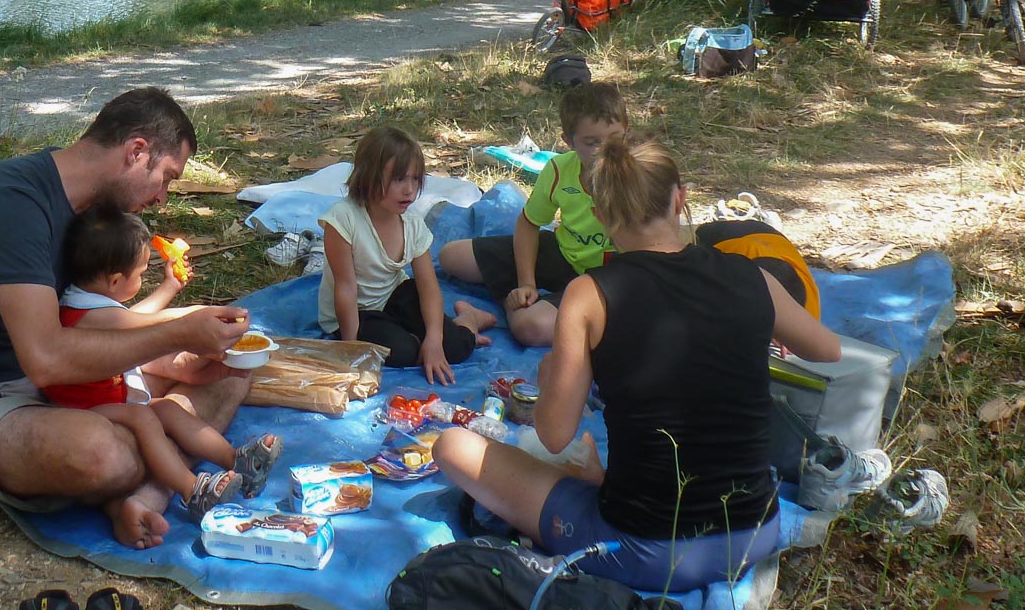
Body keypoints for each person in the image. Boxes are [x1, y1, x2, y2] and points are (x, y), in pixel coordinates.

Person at [432, 134, 841, 593]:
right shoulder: (753, 277)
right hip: (755, 532)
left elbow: (552, 433)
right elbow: (828, 350)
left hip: (645, 548)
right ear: (681, 198)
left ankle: (592, 497)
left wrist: (551, 382)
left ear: (602, 217)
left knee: (452, 447)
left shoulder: (589, 294)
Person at [0, 88, 253, 550]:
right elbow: (47, 357)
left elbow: (90, 326)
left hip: (58, 389)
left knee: (231, 371)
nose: (163, 198)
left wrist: (179, 356)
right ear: (136, 152)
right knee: (103, 454)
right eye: (165, 178)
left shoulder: (90, 209)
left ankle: (143, 497)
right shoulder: (14, 201)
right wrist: (178, 332)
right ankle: (153, 482)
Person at [46, 203, 284, 516]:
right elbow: (152, 324)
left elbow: (134, 317)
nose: (143, 280)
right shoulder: (93, 317)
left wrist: (170, 285)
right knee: (144, 418)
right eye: (142, 274)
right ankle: (192, 490)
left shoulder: (86, 300)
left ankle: (237, 461)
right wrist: (201, 318)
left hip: (105, 398)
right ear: (116, 282)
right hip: (81, 410)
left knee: (168, 410)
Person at [439, 82, 628, 346]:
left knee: (531, 328)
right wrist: (526, 282)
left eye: (615, 139)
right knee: (451, 256)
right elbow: (529, 223)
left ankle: (512, 304)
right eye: (592, 143)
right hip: (564, 254)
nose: (606, 150)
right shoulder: (559, 170)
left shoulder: (637, 174)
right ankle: (525, 296)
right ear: (568, 142)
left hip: (609, 277)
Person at [319, 126, 498, 385]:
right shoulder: (343, 220)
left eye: (415, 180)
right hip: (359, 311)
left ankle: (468, 321)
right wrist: (352, 349)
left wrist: (435, 339)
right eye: (398, 179)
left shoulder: (412, 224)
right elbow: (345, 289)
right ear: (367, 176)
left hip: (395, 295)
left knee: (453, 348)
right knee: (401, 353)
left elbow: (428, 287)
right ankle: (415, 335)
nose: (409, 190)